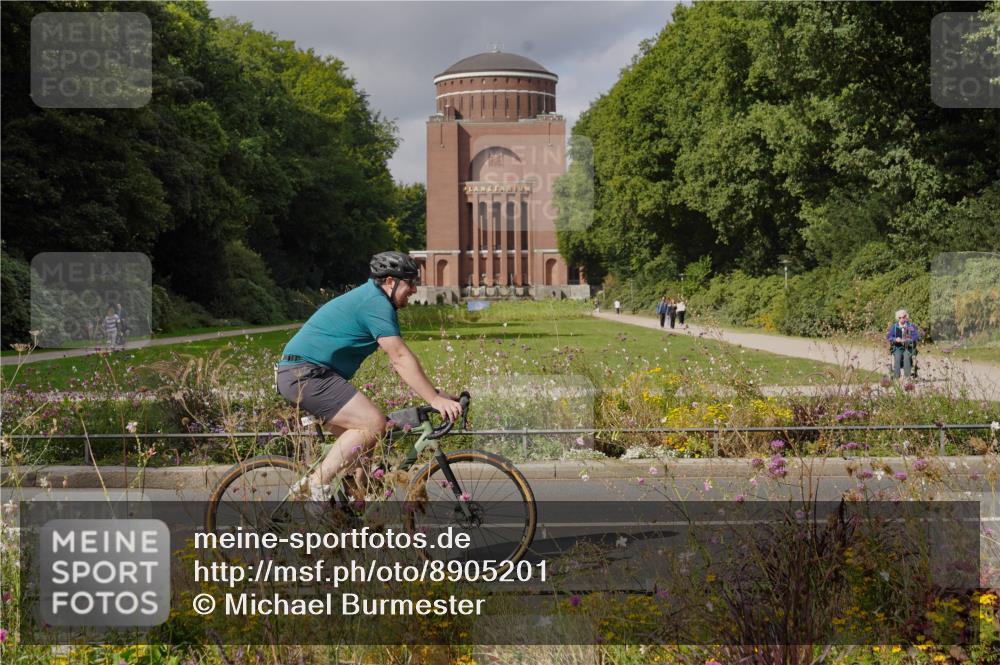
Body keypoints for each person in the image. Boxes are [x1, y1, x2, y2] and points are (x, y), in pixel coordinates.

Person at [276, 251, 463, 508]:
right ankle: (318, 483)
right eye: (410, 282)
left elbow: (399, 363)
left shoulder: (375, 301)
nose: (414, 289)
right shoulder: (375, 304)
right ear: (389, 281)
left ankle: (350, 526)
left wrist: (436, 394)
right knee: (373, 423)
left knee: (362, 456)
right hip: (306, 373)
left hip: (311, 373)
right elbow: (399, 356)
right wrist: (434, 399)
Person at [886, 309, 920, 379]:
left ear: (906, 317)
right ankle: (896, 378)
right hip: (898, 347)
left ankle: (907, 377)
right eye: (900, 317)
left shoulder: (910, 326)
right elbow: (889, 336)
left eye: (903, 317)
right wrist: (895, 339)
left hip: (909, 347)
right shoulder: (895, 327)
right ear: (897, 318)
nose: (902, 319)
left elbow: (916, 335)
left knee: (907, 356)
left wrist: (909, 340)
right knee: (897, 356)